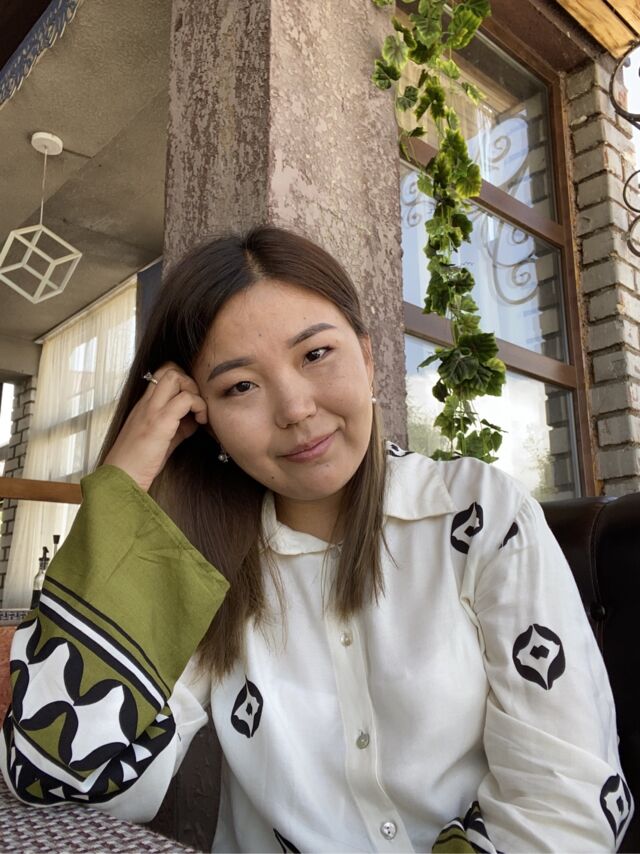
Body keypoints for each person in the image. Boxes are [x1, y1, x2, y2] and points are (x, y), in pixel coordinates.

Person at [0, 226, 633, 853]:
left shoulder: (480, 514)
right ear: (205, 422)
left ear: (367, 356)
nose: (295, 409)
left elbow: (568, 805)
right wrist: (123, 491)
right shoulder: (205, 565)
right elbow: (61, 780)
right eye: (240, 386)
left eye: (315, 354)